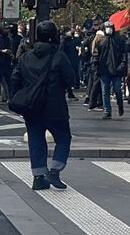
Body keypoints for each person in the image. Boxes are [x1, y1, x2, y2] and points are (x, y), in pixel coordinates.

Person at [12, 21, 79, 190]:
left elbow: (15, 78)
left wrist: (23, 93)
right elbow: (70, 79)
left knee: (36, 140)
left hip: (32, 106)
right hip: (54, 106)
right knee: (63, 138)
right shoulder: (59, 56)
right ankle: (55, 170)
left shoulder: (26, 56)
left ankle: (38, 176)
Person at [94, 21, 126, 119]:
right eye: (107, 27)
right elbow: (96, 54)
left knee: (117, 90)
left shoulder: (119, 40)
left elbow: (124, 54)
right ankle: (107, 111)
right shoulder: (101, 41)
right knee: (105, 91)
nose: (109, 29)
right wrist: (95, 63)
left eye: (111, 27)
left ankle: (120, 105)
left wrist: (122, 65)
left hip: (117, 70)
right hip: (104, 69)